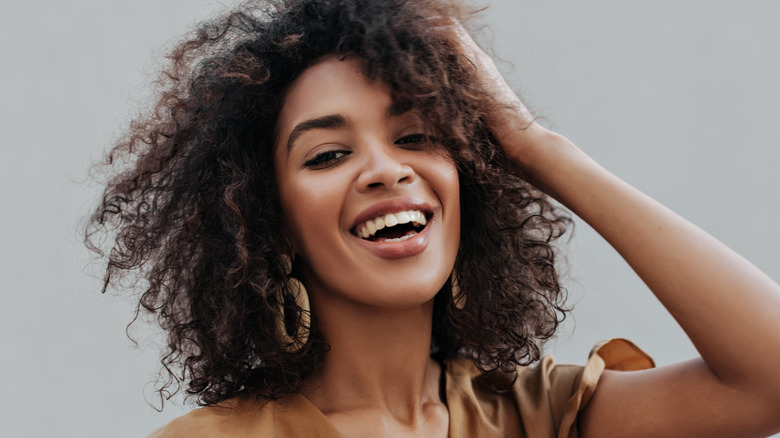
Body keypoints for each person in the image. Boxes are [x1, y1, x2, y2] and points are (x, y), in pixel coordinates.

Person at [86, 0, 780, 436]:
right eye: (328, 155)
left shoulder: (536, 414)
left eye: (416, 137)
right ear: (269, 222)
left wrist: (536, 146)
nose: (386, 169)